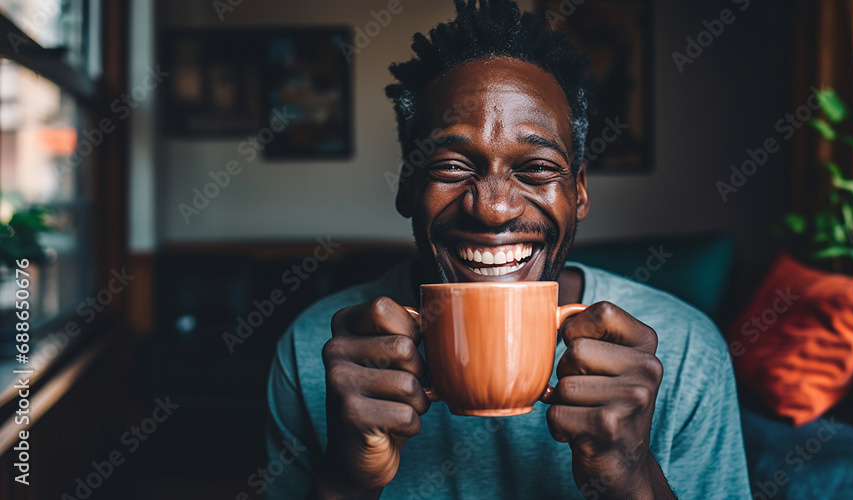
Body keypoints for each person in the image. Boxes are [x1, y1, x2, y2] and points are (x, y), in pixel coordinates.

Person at [265, 1, 751, 498]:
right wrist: (346, 484)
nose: (493, 209)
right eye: (452, 167)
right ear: (408, 187)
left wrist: (630, 475)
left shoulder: (686, 352)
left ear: (578, 192)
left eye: (537, 168)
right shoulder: (316, 352)